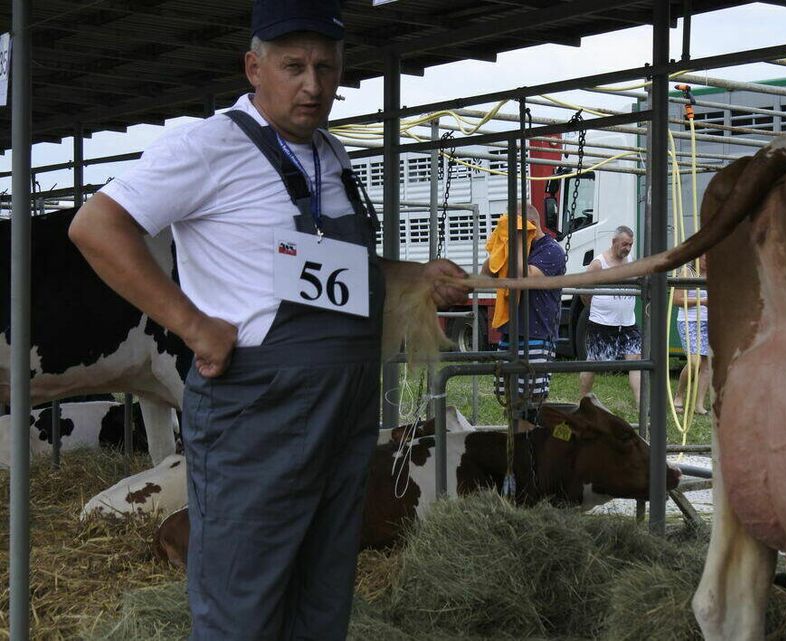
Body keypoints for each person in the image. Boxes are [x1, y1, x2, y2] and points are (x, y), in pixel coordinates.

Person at [68, 1, 469, 638]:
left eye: (325, 67)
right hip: (259, 409)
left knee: (323, 593)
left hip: (344, 408)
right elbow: (96, 226)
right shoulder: (209, 144)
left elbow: (342, 270)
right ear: (254, 68)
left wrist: (417, 276)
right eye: (293, 66)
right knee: (243, 600)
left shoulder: (331, 154)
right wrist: (192, 323)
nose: (312, 85)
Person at [481, 202, 566, 406]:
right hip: (510, 332)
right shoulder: (516, 247)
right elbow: (487, 273)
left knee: (531, 400)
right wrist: (500, 244)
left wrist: (518, 240)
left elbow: (522, 277)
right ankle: (516, 437)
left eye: (514, 227)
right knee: (510, 398)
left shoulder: (552, 250)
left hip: (537, 335)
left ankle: (528, 436)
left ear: (532, 225)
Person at [578, 225, 641, 408]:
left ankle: (640, 403)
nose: (627, 248)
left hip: (628, 322)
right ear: (614, 242)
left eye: (630, 244)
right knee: (593, 363)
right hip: (602, 323)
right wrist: (595, 308)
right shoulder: (599, 264)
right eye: (624, 244)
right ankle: (582, 399)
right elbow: (584, 291)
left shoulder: (630, 260)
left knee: (636, 360)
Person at [672, 254, 710, 415]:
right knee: (695, 363)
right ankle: (679, 395)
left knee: (708, 364)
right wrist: (701, 302)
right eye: (705, 258)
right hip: (689, 321)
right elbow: (677, 300)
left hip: (709, 322)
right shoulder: (687, 272)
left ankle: (699, 404)